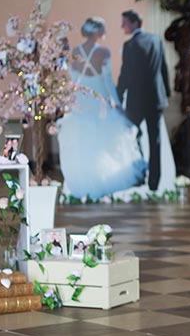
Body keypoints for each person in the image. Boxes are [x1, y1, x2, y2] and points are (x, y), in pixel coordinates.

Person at [57, 16, 147, 198]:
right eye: (103, 28)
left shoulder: (75, 52)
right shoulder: (103, 53)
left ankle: (84, 183)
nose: (105, 32)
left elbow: (73, 79)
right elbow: (107, 82)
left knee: (83, 144)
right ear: (97, 31)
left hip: (81, 104)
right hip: (100, 104)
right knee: (105, 144)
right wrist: (117, 104)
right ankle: (106, 181)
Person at [117, 10, 172, 191]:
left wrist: (118, 94)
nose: (122, 26)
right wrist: (167, 93)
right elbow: (163, 68)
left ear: (134, 23)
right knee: (155, 141)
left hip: (137, 100)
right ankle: (154, 181)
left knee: (132, 135)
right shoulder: (156, 40)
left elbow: (125, 74)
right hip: (156, 98)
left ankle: (140, 174)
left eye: (124, 23)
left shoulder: (130, 45)